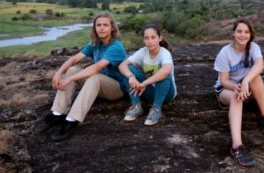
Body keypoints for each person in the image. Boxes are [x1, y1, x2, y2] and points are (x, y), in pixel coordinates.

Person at [43, 11, 128, 141]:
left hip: (117, 89)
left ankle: (72, 120)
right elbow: (74, 59)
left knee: (94, 76)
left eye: (105, 25)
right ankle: (58, 112)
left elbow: (97, 68)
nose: (101, 27)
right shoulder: (95, 43)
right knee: (72, 69)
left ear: (112, 27)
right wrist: (59, 73)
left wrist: (69, 80)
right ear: (95, 27)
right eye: (98, 25)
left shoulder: (116, 46)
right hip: (100, 86)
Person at [214, 19, 264, 167]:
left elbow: (259, 65)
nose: (243, 35)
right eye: (239, 31)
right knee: (236, 97)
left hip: (246, 87)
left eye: (246, 32)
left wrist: (245, 82)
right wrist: (237, 87)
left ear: (251, 34)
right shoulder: (225, 52)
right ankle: (236, 147)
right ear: (233, 33)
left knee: (256, 78)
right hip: (228, 90)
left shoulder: (253, 47)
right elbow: (224, 81)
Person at [118, 25, 177, 125]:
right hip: (148, 91)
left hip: (166, 93)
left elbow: (167, 70)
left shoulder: (164, 53)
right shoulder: (142, 52)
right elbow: (122, 65)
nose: (150, 41)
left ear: (160, 38)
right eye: (146, 38)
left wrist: (144, 83)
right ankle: (137, 106)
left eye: (153, 37)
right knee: (129, 70)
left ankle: (156, 108)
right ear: (143, 40)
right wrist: (131, 77)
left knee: (163, 73)